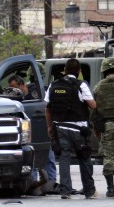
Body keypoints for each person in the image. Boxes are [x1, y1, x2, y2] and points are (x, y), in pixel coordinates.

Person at [45, 58, 97, 199]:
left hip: (60, 128)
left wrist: (49, 127)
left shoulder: (53, 85)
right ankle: (89, 191)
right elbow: (93, 105)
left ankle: (65, 192)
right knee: (84, 158)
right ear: (79, 71)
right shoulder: (81, 85)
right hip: (79, 129)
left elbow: (48, 109)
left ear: (65, 70)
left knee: (64, 158)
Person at [92, 57, 114, 198]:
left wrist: (96, 129)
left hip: (107, 126)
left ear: (104, 71)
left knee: (108, 158)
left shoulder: (98, 87)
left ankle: (110, 189)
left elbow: (94, 111)